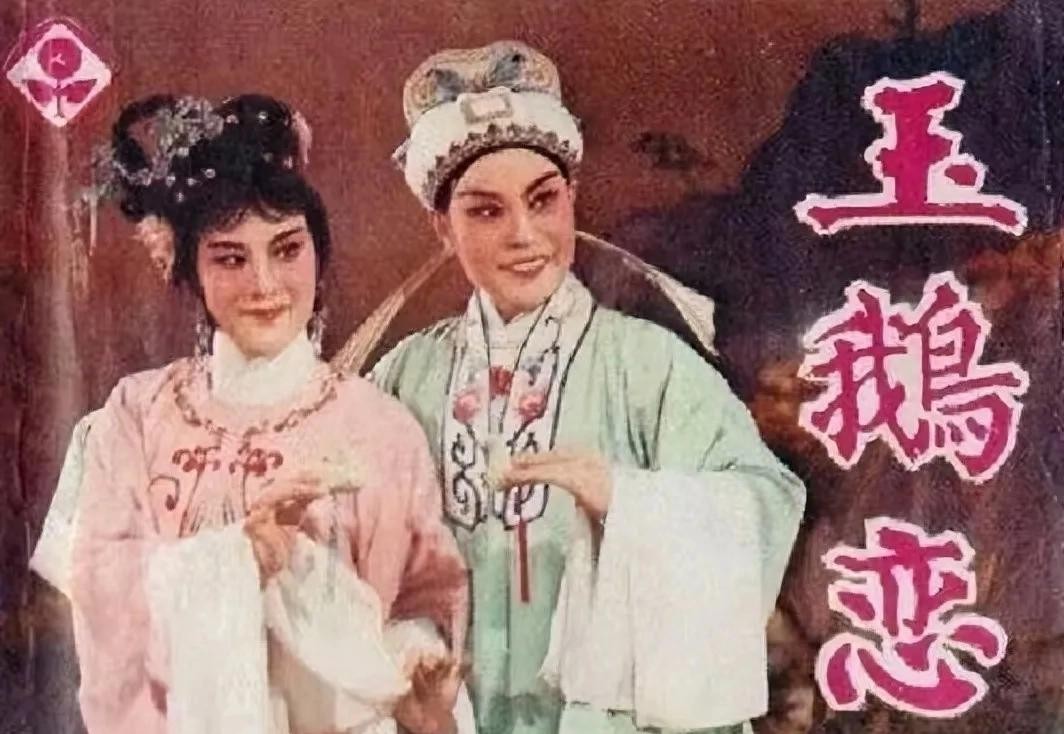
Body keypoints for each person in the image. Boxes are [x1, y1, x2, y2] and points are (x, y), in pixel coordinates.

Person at [370, 41, 807, 734]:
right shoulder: (402, 376)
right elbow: (355, 557)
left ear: (571, 198)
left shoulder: (648, 365)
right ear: (441, 227)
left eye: (543, 201)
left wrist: (628, 501)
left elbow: (766, 501)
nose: (525, 235)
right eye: (486, 212)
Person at [35, 94, 469, 734]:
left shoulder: (381, 427)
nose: (265, 285)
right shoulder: (133, 415)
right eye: (231, 259)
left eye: (287, 250)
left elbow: (425, 600)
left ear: (318, 254)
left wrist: (414, 676)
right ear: (188, 266)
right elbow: (95, 591)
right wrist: (240, 560)